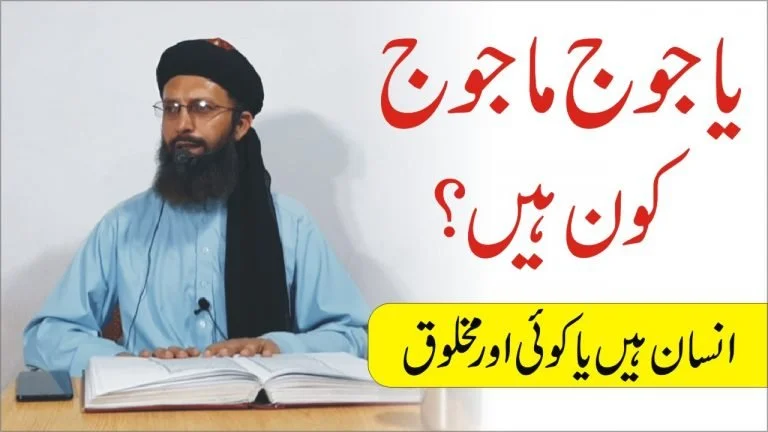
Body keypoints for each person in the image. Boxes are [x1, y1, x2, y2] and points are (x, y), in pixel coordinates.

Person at [22, 37, 371, 377]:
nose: (182, 124)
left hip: (260, 404)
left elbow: (355, 336)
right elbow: (46, 337)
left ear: (241, 125)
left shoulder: (289, 224)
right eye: (171, 108)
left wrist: (277, 347)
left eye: (202, 108)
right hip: (151, 403)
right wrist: (127, 362)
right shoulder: (123, 225)